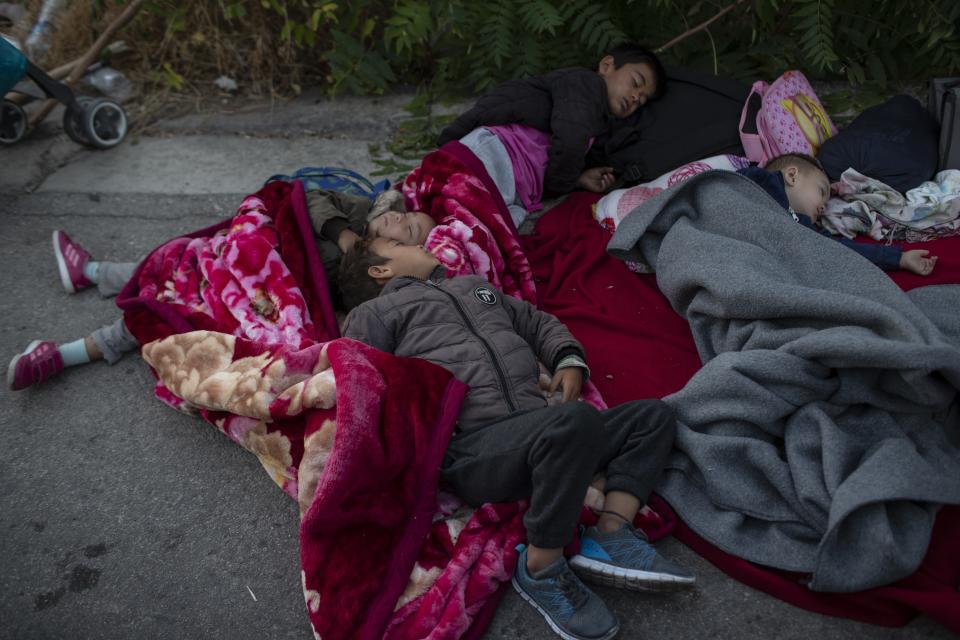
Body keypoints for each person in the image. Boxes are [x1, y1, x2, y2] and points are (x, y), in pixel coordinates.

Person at [338, 236, 694, 640]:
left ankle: (612, 532)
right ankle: (542, 566)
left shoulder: (475, 287)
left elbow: (536, 322)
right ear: (380, 269)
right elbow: (364, 380)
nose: (418, 241)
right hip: (475, 449)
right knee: (573, 422)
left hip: (543, 429)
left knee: (653, 415)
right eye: (400, 242)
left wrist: (567, 358)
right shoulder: (376, 313)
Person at [437, 43, 666, 226]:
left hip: (518, 187)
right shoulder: (585, 83)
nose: (636, 97)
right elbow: (569, 143)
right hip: (497, 155)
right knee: (447, 210)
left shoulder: (598, 121)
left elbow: (557, 153)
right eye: (636, 83)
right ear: (607, 65)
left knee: (470, 230)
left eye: (643, 99)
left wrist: (579, 178)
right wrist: (558, 188)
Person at [738, 154, 938, 276]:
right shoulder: (760, 180)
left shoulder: (805, 227)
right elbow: (721, 188)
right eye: (822, 191)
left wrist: (899, 259)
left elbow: (843, 250)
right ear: (791, 176)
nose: (823, 208)